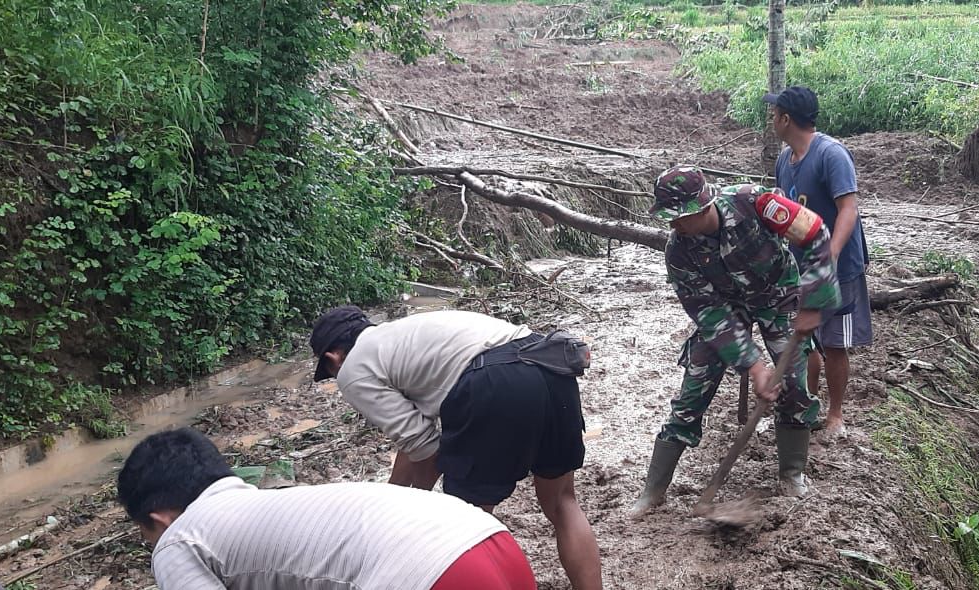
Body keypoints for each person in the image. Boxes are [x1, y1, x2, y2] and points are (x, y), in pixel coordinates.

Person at [309, 308, 602, 590]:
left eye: (330, 372)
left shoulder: (353, 370)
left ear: (333, 357)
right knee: (562, 502)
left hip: (495, 381)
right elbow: (412, 441)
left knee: (465, 525)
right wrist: (394, 497)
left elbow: (426, 449)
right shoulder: (402, 336)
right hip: (549, 362)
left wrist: (408, 512)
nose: (336, 377)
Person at [628, 166, 840, 519]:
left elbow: (816, 234)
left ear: (702, 206)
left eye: (679, 217)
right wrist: (754, 366)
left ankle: (791, 474)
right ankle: (654, 490)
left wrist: (814, 302)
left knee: (793, 382)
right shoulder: (679, 252)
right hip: (727, 308)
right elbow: (709, 314)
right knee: (693, 387)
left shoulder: (754, 203)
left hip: (779, 297)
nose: (674, 226)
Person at [116, 427, 535, 590]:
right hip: (492, 544)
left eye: (146, 535)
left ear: (159, 517)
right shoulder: (267, 508)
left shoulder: (179, 539)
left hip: (427, 575)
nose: (153, 543)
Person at [764, 85, 873, 438]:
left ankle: (837, 414)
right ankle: (807, 405)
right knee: (804, 340)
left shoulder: (831, 155)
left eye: (773, 114)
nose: (770, 120)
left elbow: (848, 210)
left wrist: (832, 254)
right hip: (801, 266)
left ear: (785, 119)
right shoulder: (785, 160)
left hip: (838, 267)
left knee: (835, 342)